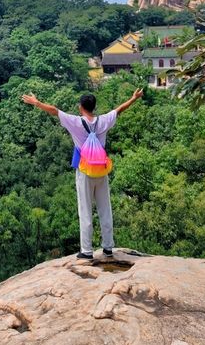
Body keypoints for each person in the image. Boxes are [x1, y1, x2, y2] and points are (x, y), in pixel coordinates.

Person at [21, 88, 144, 261]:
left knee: (85, 209)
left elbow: (54, 111)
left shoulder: (75, 122)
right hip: (101, 170)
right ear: (94, 107)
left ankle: (87, 250)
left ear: (81, 107)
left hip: (85, 171)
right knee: (105, 208)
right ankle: (108, 247)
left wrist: (37, 103)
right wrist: (133, 98)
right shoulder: (104, 121)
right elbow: (119, 109)